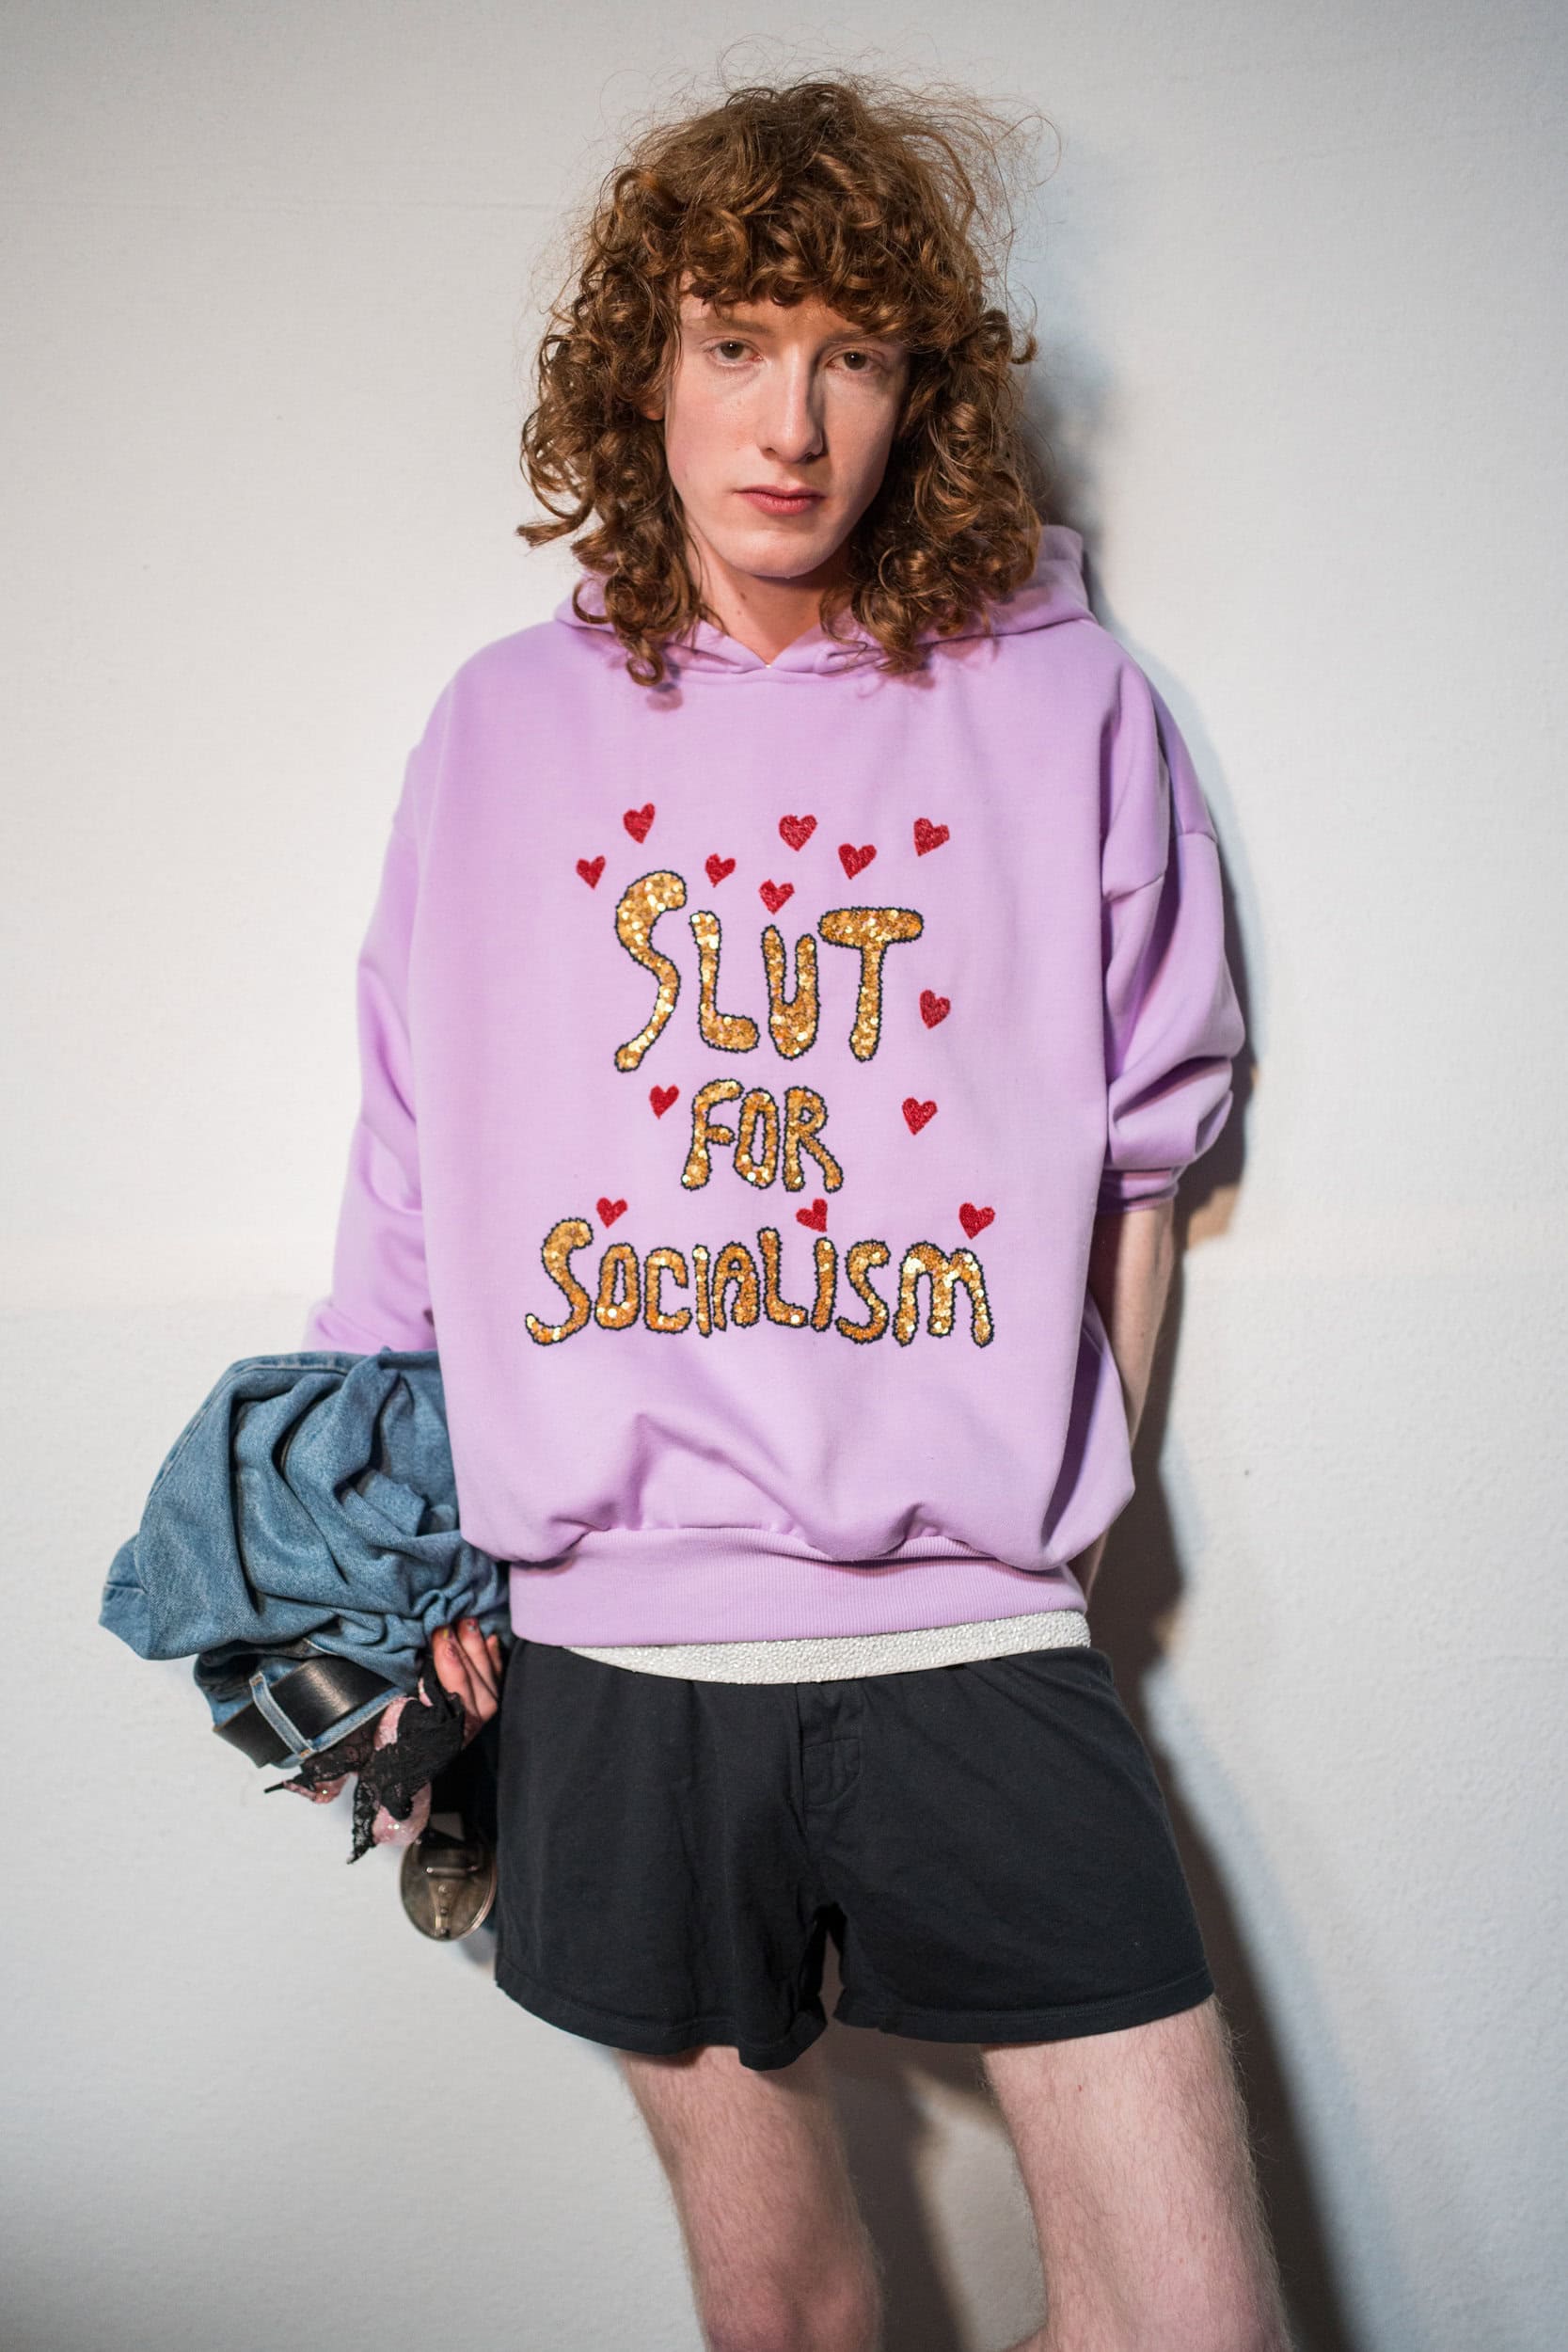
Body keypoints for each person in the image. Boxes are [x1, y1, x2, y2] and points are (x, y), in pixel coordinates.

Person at [303, 68, 1291, 2352]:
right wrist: (403, 1566)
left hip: (968, 1627)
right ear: (642, 368)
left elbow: (1145, 1165)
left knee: (1190, 2319)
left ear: (920, 388)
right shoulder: (499, 729)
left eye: (854, 351)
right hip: (609, 1648)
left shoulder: (1064, 704)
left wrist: (1063, 1527)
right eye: (737, 341)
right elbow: (407, 1160)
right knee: (787, 2314)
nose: (791, 421)